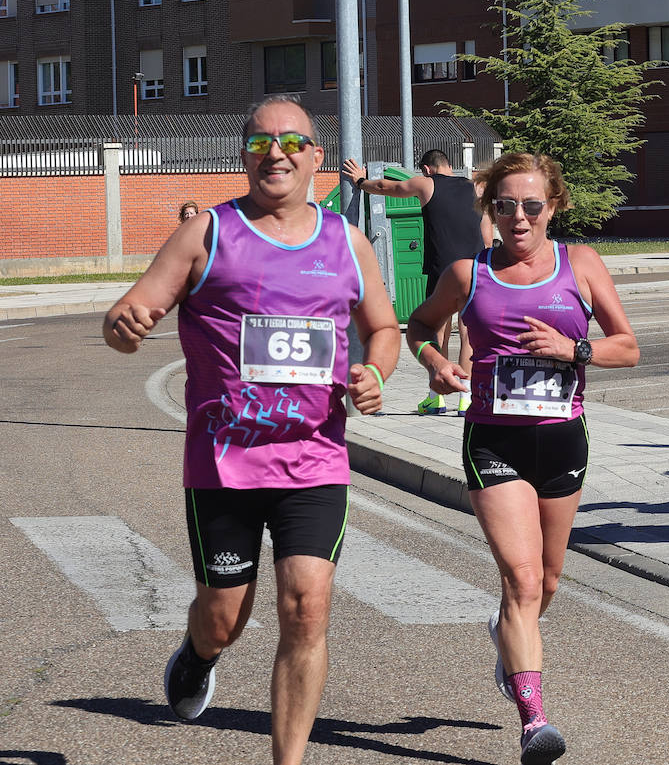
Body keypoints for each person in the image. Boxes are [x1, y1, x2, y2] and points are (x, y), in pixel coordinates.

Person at [102, 95, 401, 765]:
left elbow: (383, 328)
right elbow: (131, 311)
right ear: (243, 154)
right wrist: (123, 325)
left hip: (315, 460)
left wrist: (377, 372)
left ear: (316, 158)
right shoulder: (208, 233)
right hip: (225, 466)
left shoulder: (345, 241)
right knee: (224, 618)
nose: (277, 154)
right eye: (262, 141)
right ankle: (198, 652)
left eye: (293, 142)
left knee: (306, 607)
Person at [405, 151, 638, 765]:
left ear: (554, 207)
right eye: (505, 206)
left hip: (562, 440)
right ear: (491, 210)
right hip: (494, 440)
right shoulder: (467, 273)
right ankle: (534, 720)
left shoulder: (580, 265)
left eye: (532, 206)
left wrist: (574, 348)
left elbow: (629, 347)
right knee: (523, 578)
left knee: (548, 581)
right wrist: (435, 363)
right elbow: (420, 326)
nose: (519, 218)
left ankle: (508, 635)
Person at [343, 149, 492, 415]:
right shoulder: (474, 188)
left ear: (427, 169)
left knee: (437, 330)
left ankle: (436, 396)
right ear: (448, 165)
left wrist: (360, 182)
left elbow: (388, 187)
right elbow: (487, 234)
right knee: (468, 330)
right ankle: (466, 397)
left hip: (443, 269)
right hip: (475, 267)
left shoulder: (426, 183)